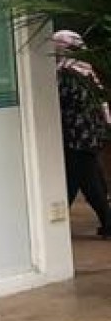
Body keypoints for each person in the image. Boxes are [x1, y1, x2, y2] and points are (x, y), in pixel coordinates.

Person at [54, 29, 111, 238]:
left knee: (86, 180)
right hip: (91, 132)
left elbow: (59, 101)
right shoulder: (85, 69)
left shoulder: (66, 73)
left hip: (76, 135)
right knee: (84, 177)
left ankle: (54, 225)